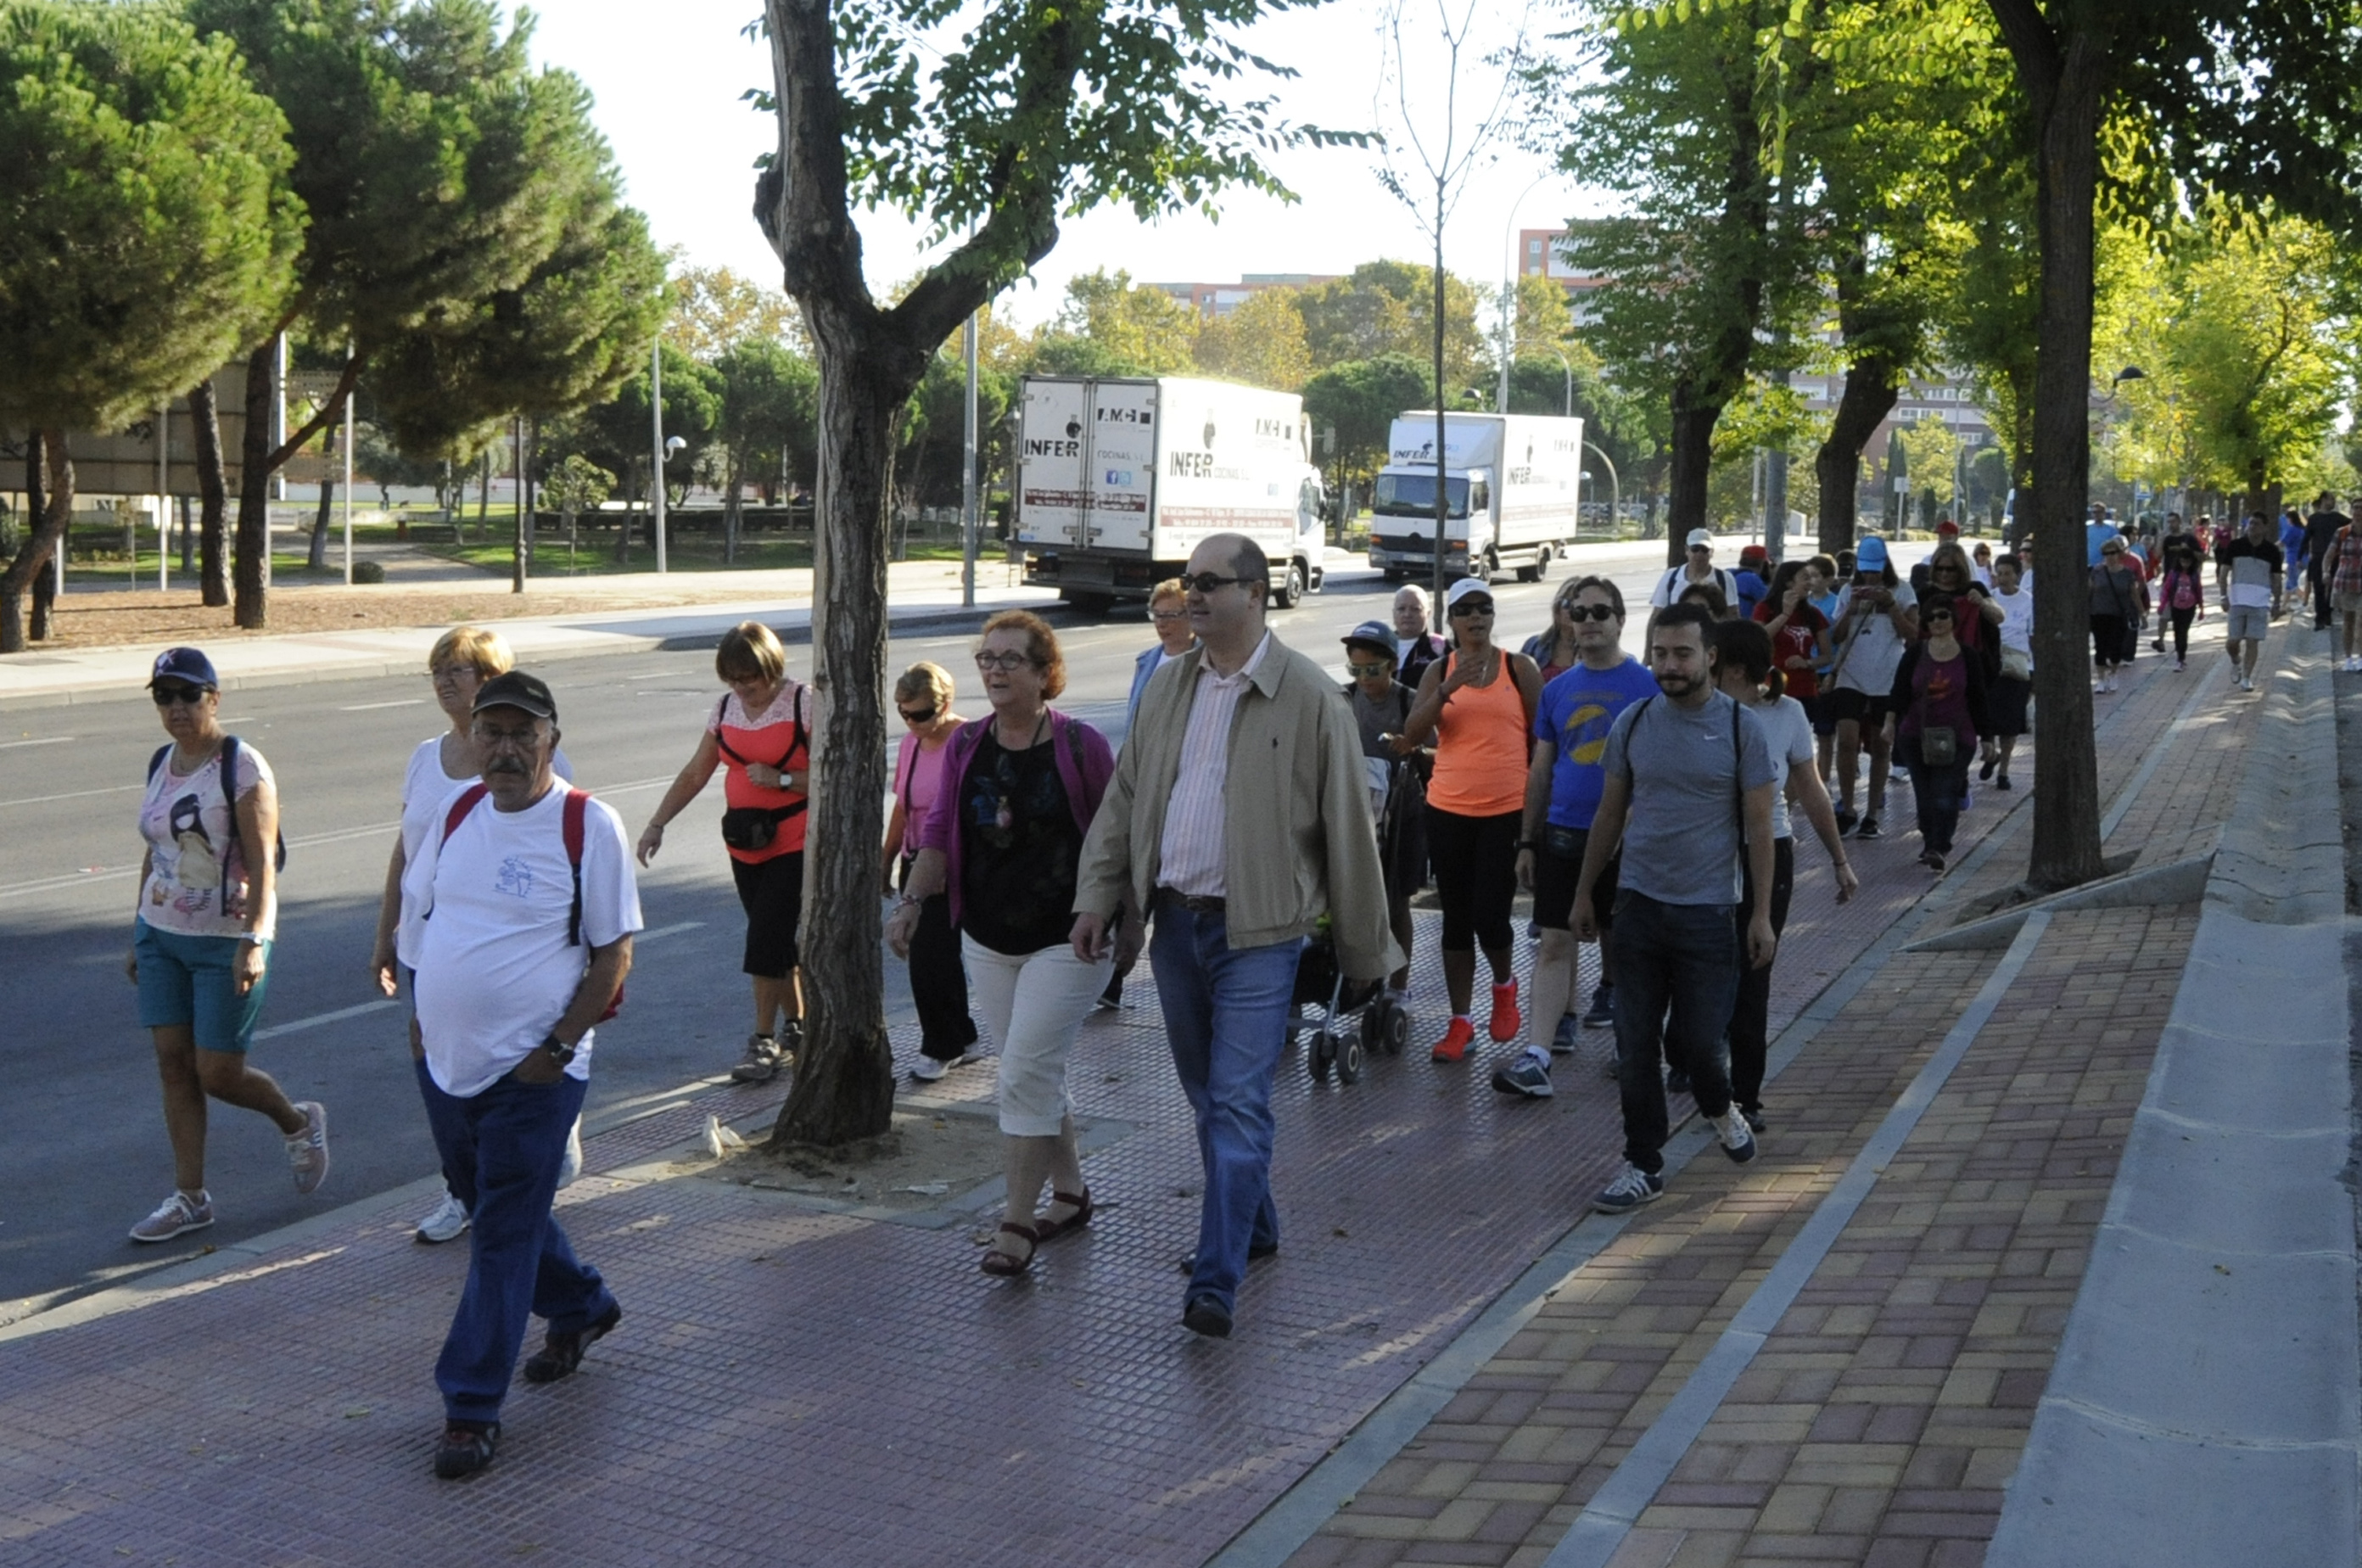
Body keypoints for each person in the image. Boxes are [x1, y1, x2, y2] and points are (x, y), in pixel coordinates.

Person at [1072, 533, 1397, 1339]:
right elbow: (1124, 800)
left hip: (1262, 935)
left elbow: (1349, 834)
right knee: (1207, 1096)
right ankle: (1256, 1222)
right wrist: (1099, 898)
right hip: (1176, 927)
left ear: (1256, 592)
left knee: (1238, 1100)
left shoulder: (1311, 697)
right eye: (1188, 580)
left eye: (1210, 582)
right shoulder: (1168, 685)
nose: (1193, 594)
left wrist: (1366, 952)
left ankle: (1215, 1280)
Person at [404, 670, 639, 1481]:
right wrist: (420, 1018)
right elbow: (424, 918)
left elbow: (613, 953)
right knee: (492, 1204)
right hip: (446, 1064)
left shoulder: (587, 825)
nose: (504, 748)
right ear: (472, 738)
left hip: (535, 1072)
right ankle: (582, 1305)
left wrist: (558, 1049)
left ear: (551, 740)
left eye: (521, 734)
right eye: (491, 732)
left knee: (501, 1233)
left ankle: (470, 1407)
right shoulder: (457, 811)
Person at [890, 613, 1127, 1277]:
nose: (994, 670)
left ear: (1045, 673)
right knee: (1034, 1070)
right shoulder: (967, 744)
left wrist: (1125, 918)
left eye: (1010, 659)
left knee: (1022, 1071)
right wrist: (911, 903)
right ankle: (1071, 1194)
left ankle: (1016, 1221)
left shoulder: (1080, 744)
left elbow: (1116, 836)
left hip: (1071, 938)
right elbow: (938, 831)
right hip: (989, 938)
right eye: (986, 658)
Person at [373, 625, 579, 1246]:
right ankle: (462, 1187)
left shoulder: (540, 757)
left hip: (509, 943)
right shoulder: (425, 757)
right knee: (441, 1064)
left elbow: (562, 851)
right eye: (436, 671)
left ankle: (541, 1140)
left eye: (455, 671)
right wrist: (387, 931)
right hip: (431, 943)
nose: (442, 682)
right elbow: (407, 847)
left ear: (491, 680)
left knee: (507, 1063)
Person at [1570, 603, 1773, 1213]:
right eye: (1660, 653)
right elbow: (1610, 814)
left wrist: (1761, 915)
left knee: (1703, 1048)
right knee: (1635, 1046)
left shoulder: (1740, 728)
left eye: (1683, 654)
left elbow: (1760, 830)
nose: (1670, 665)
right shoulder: (1633, 723)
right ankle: (1643, 1164)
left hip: (1709, 915)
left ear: (1710, 656)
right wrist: (1585, 892)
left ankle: (1719, 1105)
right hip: (1638, 909)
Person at [126, 647, 327, 1244]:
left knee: (217, 1072)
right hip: (161, 935)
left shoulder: (241, 766)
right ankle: (191, 1198)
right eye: (165, 697)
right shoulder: (162, 761)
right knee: (173, 1066)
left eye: (189, 695)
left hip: (224, 941)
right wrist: (137, 930)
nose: (177, 708)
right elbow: (157, 852)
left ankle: (296, 1121)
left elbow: (262, 863)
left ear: (214, 699)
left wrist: (255, 940)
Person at [1492, 575, 1658, 1099]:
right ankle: (1537, 1057)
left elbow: (1658, 769)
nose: (1587, 621)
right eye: (1578, 612)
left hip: (1631, 840)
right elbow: (1541, 769)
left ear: (1620, 620)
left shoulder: (1648, 686)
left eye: (1599, 612)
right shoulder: (1557, 689)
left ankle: (1633, 1046)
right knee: (1554, 942)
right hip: (1563, 834)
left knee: (1629, 947)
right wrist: (1527, 839)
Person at [635, 623, 811, 1084]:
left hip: (795, 840)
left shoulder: (803, 703)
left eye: (749, 678)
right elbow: (697, 772)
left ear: (771, 667)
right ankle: (799, 1026)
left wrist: (783, 779)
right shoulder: (726, 708)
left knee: (765, 939)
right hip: (745, 844)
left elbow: (839, 774)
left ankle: (763, 1041)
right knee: (775, 942)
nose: (741, 688)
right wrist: (657, 824)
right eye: (732, 678)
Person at [1712, 619, 1856, 1128]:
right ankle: (1694, 1061)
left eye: (1711, 658)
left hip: (1767, 850)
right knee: (1700, 966)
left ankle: (1745, 1097)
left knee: (1754, 970)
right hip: (1704, 852)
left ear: (1733, 668)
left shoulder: (1787, 712)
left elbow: (1811, 788)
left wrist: (1839, 859)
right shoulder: (1696, 712)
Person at [1398, 574, 1543, 1062]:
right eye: (1466, 610)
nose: (1476, 617)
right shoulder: (1438, 670)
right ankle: (1461, 1021)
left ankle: (1504, 986)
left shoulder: (1518, 668)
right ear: (1452, 620)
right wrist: (1446, 690)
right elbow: (1411, 735)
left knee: (1491, 916)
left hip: (1505, 810)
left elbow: (1545, 739)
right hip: (1448, 809)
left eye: (1484, 608)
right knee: (1456, 921)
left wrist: (1537, 816)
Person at [882, 661, 981, 1082]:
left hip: (951, 860)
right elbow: (903, 805)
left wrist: (945, 865)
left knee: (927, 956)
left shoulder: (968, 740)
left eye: (920, 714)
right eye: (903, 713)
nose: (911, 722)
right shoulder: (911, 744)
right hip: (915, 858)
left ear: (945, 704)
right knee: (936, 955)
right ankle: (963, 1036)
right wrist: (886, 857)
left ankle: (941, 1046)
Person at [1342, 619, 1426, 999]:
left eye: (1372, 670)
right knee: (1353, 902)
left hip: (1402, 816)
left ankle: (1398, 987)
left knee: (1396, 903)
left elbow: (1439, 753)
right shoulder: (1345, 700)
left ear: (1392, 665)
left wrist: (1413, 748)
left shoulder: (1410, 701)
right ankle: (1359, 977)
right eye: (1355, 670)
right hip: (1358, 816)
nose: (1364, 679)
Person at [1826, 535, 1918, 839]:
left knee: (1881, 745)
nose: (1870, 577)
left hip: (1887, 674)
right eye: (1865, 571)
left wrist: (1890, 606)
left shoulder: (1902, 590)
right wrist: (1852, 608)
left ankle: (1872, 815)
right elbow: (1836, 636)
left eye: (1875, 571)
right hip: (1850, 673)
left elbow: (1912, 635)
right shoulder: (1847, 591)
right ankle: (1848, 808)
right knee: (1847, 741)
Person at [1890, 595, 1991, 873]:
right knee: (1924, 795)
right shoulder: (1915, 653)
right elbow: (1899, 691)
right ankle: (1929, 843)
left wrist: (1987, 738)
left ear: (1953, 620)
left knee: (1944, 792)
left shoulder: (1968, 655)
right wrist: (1889, 723)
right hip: (1916, 735)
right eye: (1931, 617)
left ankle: (1940, 846)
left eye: (1943, 615)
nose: (1937, 621)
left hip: (1958, 736)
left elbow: (1979, 698)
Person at [1980, 555, 2034, 790]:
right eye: (2000, 573)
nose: (2003, 578)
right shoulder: (1989, 601)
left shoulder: (2028, 601)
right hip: (1993, 667)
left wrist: (2035, 671)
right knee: (1989, 719)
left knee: (2011, 723)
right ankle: (1991, 755)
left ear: (2017, 575)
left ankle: (2004, 771)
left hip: (2018, 667)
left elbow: (2032, 636)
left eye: (2008, 573)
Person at [2215, 512, 2284, 693]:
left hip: (2260, 602)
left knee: (2253, 641)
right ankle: (2235, 659)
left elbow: (2277, 579)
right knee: (2233, 641)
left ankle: (2246, 677)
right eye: (2251, 523)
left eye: (2257, 524)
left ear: (2265, 528)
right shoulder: (2235, 545)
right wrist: (2223, 596)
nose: (2252, 527)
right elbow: (2224, 572)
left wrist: (2277, 603)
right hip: (2237, 600)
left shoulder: (2272, 551)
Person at [1128, 578, 1196, 721]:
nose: (1161, 624)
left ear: (1190, 615)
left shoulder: (1207, 660)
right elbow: (1134, 716)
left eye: (1170, 616)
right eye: (1157, 615)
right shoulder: (1146, 662)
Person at [2087, 538, 2147, 693]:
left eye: (2113, 553)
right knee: (2100, 647)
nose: (2109, 556)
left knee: (2116, 647)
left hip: (2119, 615)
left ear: (2119, 554)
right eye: (2106, 553)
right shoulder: (2097, 572)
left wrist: (2142, 613)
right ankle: (2101, 679)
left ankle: (2113, 674)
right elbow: (2089, 592)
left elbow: (2134, 595)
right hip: (2098, 614)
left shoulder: (2126, 574)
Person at [1520, 580, 1591, 683]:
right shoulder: (1534, 646)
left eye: (1580, 607)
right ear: (1557, 609)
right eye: (1567, 604)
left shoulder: (1596, 649)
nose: (1572, 611)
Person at [2155, 537, 2208, 672]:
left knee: (2184, 631)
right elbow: (2167, 590)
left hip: (2190, 606)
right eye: (2183, 561)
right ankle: (2180, 656)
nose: (2185, 564)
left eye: (2188, 561)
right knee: (2177, 631)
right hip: (2175, 605)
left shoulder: (2194, 575)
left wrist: (2201, 608)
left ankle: (2181, 656)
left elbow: (2198, 590)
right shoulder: (2174, 574)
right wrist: (2162, 605)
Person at [1651, 529, 1738, 608]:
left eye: (1704, 549)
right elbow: (1657, 612)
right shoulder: (1670, 577)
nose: (1699, 554)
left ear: (1711, 552)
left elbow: (1732, 613)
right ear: (1686, 550)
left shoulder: (1724, 579)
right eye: (1695, 549)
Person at [2307, 494, 2352, 630]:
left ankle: (2328, 612)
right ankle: (2319, 618)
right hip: (2318, 556)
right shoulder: (2313, 518)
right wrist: (2300, 556)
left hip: (2335, 556)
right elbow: (2307, 536)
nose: (2333, 502)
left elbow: (2353, 525)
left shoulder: (2338, 518)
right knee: (2319, 588)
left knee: (2333, 587)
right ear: (2324, 500)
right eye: (2331, 499)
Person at [1392, 583, 1446, 687]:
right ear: (1393, 613)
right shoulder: (1381, 646)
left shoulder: (1441, 648)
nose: (1407, 614)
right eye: (1401, 609)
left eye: (1415, 609)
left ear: (1428, 613)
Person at [2327, 515, 2362, 671]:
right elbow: (2330, 553)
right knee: (2348, 620)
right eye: (2356, 508)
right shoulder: (2342, 532)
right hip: (2347, 581)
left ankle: (2360, 658)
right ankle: (2348, 659)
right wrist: (2325, 571)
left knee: (2361, 621)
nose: (2358, 511)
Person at [1732, 544, 1770, 619]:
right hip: (1746, 622)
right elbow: (1768, 602)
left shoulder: (1729, 573)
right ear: (1763, 564)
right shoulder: (1752, 579)